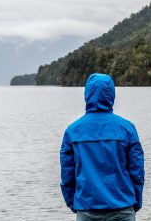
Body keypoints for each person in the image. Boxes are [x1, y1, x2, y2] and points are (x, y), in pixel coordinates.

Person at [60, 73, 145, 221]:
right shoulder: (127, 129)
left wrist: (74, 203)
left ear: (87, 94)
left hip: (87, 209)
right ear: (111, 94)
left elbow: (67, 175)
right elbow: (137, 172)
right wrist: (135, 201)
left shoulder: (73, 131)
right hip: (123, 208)